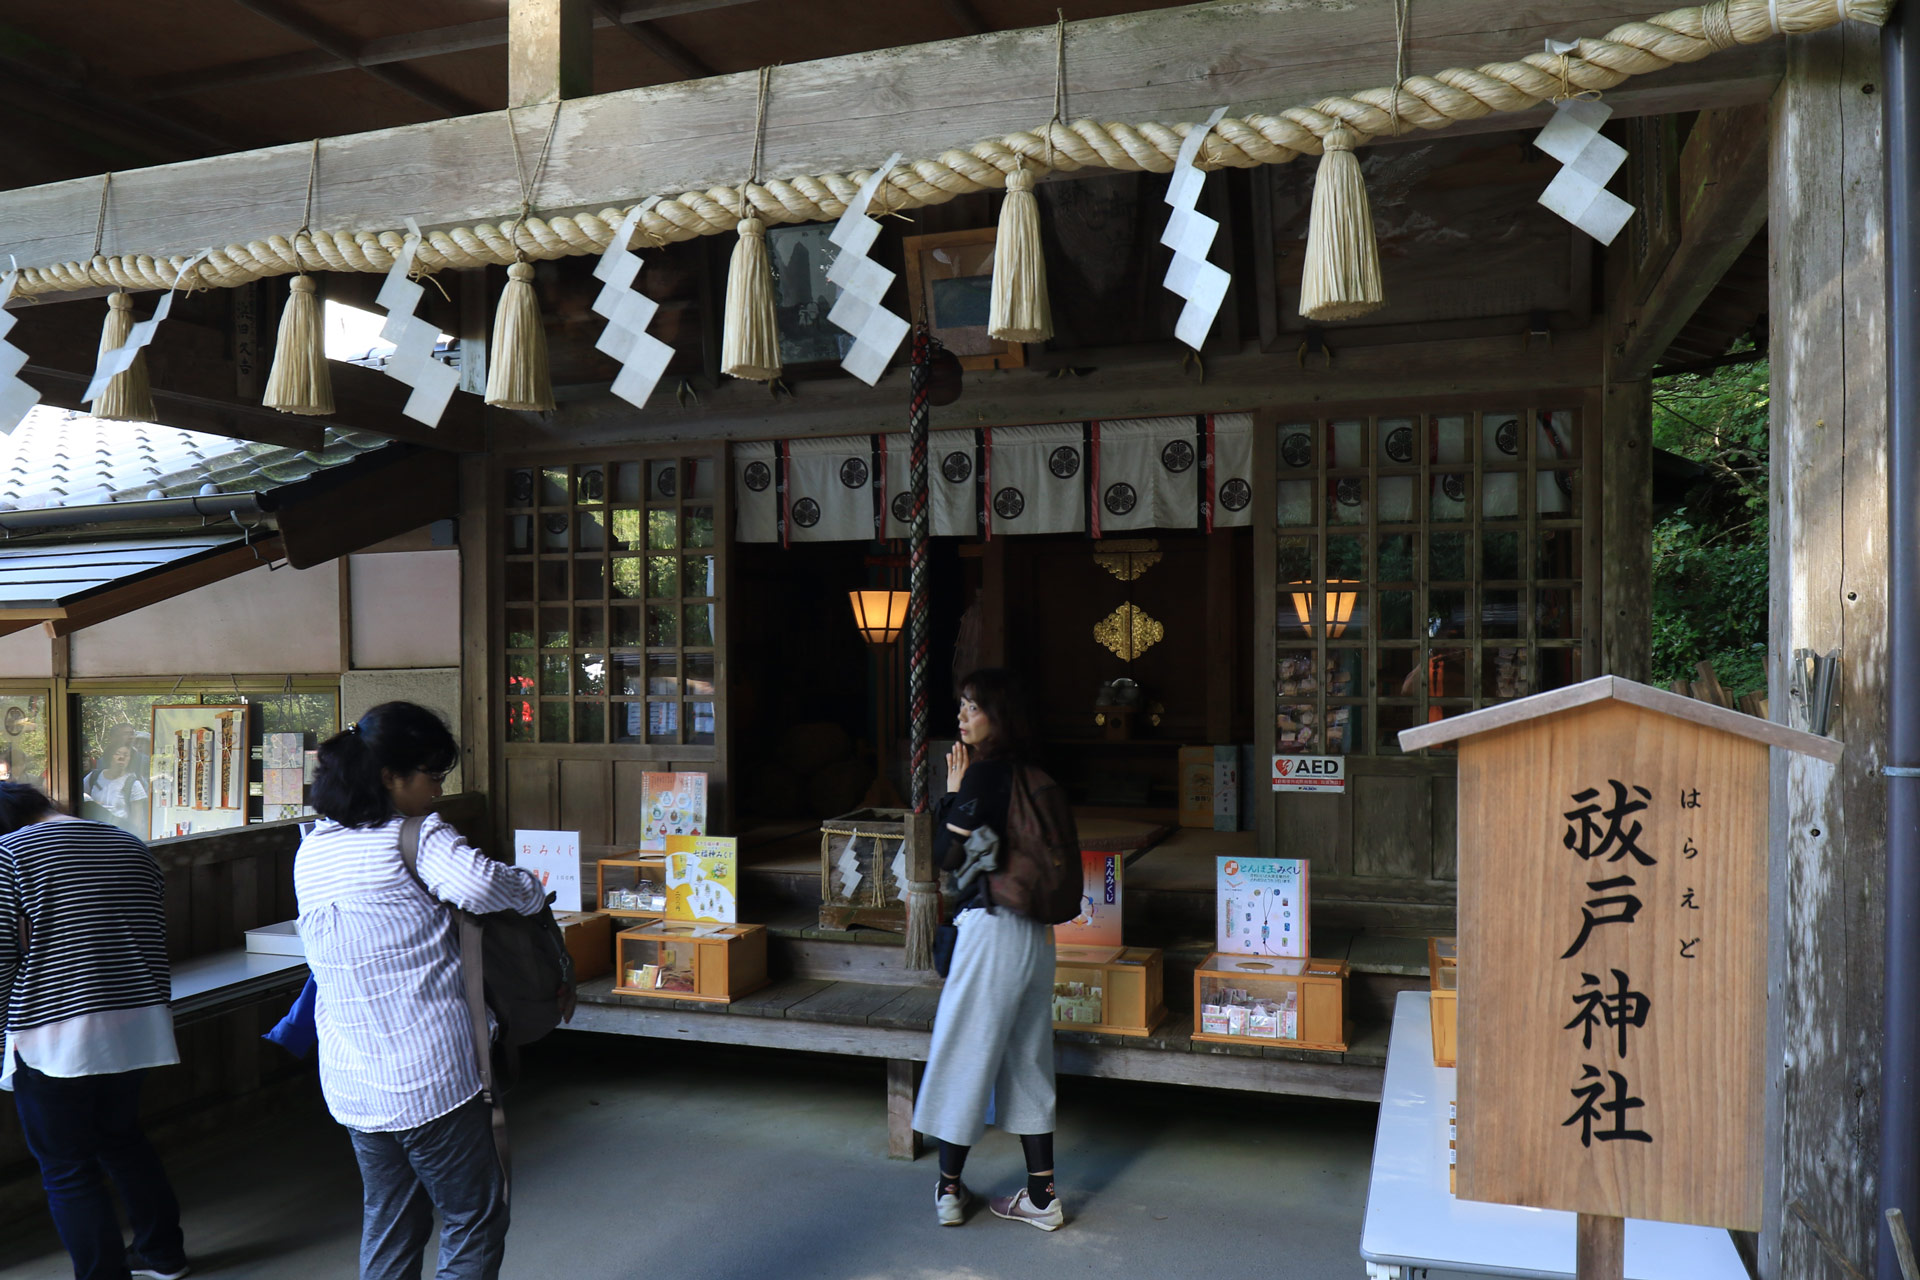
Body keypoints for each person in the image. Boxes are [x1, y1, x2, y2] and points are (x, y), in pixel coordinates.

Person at [296, 703, 547, 1280]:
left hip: (354, 1079)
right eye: (432, 776)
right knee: (475, 1217)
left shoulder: (314, 848)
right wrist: (531, 892)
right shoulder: (414, 837)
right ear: (390, 777)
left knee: (391, 1220)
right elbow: (483, 885)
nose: (438, 791)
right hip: (429, 1075)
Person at [0, 781, 189, 1280]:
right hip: (139, 1020)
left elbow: (2, 955)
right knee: (122, 1138)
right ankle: (162, 1253)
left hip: (54, 1031)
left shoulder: (9, 853)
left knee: (66, 1168)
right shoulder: (125, 841)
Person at [911, 668, 1064, 1231]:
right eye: (963, 706)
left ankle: (950, 1190)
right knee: (1028, 1055)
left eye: (972, 707)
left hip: (991, 926)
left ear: (997, 716)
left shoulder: (983, 777)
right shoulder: (1037, 775)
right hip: (1036, 932)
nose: (962, 716)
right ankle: (1042, 1198)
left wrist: (954, 794)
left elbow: (948, 861)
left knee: (964, 1048)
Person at [82, 745, 149, 835]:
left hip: (118, 835)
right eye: (117, 754)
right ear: (109, 756)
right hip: (93, 833)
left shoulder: (133, 784)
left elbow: (137, 822)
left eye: (126, 755)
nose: (121, 758)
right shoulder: (93, 776)